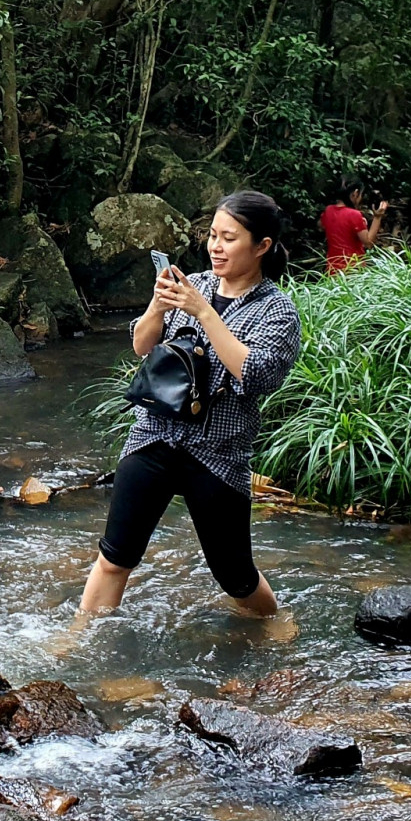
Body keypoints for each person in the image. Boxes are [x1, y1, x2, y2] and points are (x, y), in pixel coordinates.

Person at [79, 190, 302, 619]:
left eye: (229, 238)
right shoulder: (192, 285)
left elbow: (256, 374)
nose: (215, 247)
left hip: (217, 453)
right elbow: (142, 346)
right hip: (153, 435)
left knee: (234, 576)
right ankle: (76, 642)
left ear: (262, 247)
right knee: (114, 557)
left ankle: (276, 624)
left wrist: (205, 314)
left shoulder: (277, 311)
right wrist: (158, 307)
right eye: (213, 236)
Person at [319, 179, 388, 273]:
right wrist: (377, 217)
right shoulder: (354, 215)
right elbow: (368, 243)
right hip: (353, 268)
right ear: (355, 193)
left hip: (333, 268)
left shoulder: (328, 210)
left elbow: (321, 226)